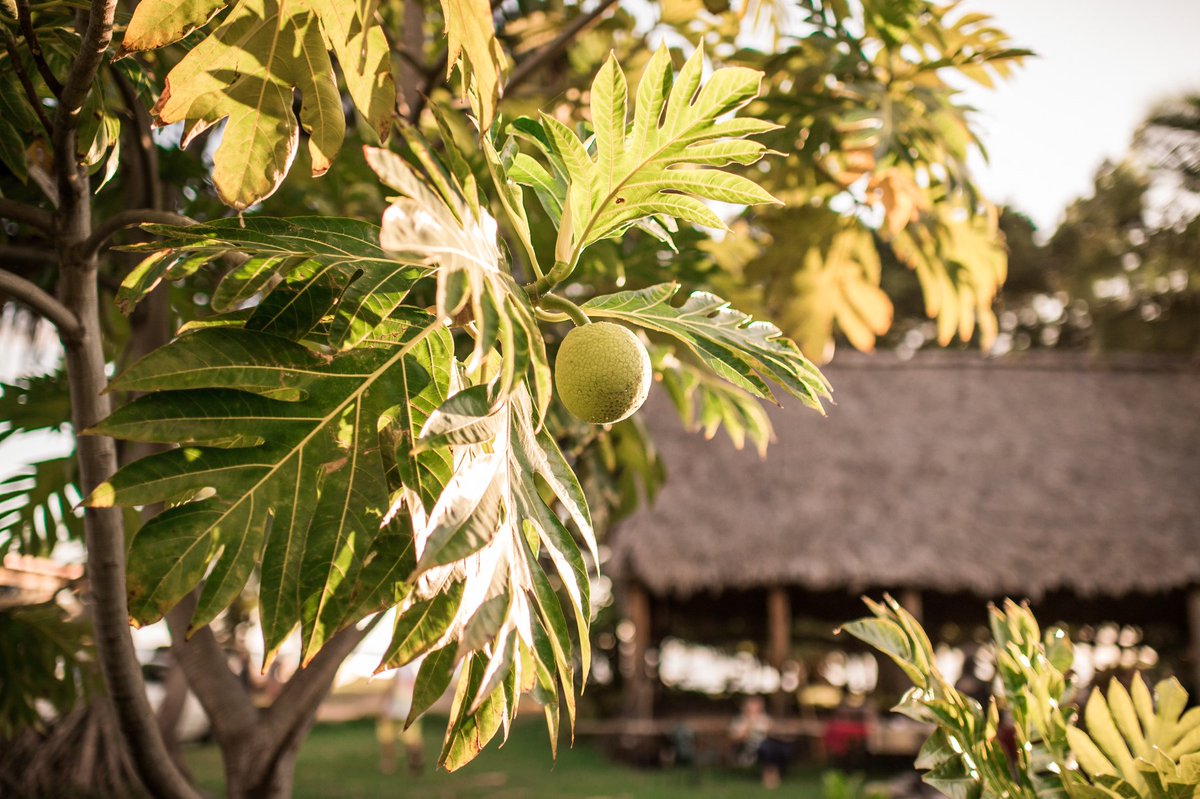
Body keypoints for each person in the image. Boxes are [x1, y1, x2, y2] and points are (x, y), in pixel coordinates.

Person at [729, 696, 790, 789]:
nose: (755, 709)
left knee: (783, 747)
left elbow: (774, 732)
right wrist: (749, 726)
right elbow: (735, 738)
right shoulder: (739, 720)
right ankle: (770, 777)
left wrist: (771, 729)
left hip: (768, 744)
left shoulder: (764, 719)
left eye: (758, 707)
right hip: (748, 748)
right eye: (753, 707)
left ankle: (776, 773)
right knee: (767, 748)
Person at [377, 666, 423, 776]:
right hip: (408, 712)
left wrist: (384, 705)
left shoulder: (402, 671)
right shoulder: (414, 672)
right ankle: (415, 764)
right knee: (412, 741)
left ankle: (390, 764)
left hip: (396, 711)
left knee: (388, 739)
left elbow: (392, 688)